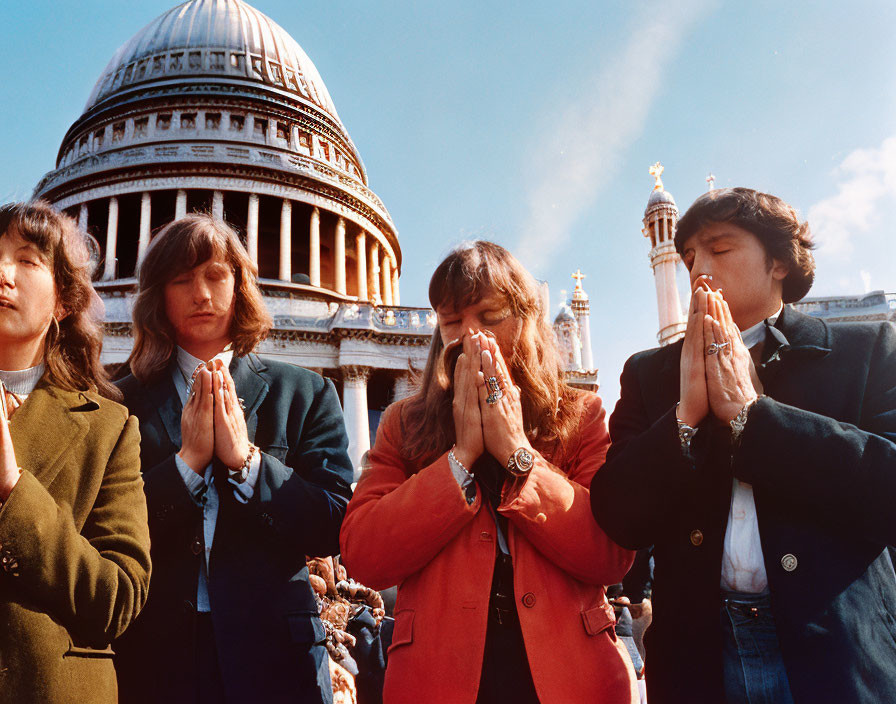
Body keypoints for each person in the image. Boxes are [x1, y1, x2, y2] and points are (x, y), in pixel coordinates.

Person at [591, 187, 896, 704]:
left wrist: (755, 418)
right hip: (700, 660)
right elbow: (617, 514)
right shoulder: (649, 373)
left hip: (836, 653)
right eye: (688, 257)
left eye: (720, 249)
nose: (698, 269)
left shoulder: (864, 351)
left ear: (778, 260)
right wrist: (684, 418)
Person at [340, 241, 638, 704]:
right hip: (443, 676)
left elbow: (609, 553)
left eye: (491, 317)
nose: (471, 337)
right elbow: (365, 556)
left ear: (526, 320)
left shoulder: (581, 415)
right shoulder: (404, 423)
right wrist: (459, 460)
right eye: (453, 321)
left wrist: (518, 454)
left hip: (567, 674)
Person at [113, 215, 353, 704]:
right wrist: (186, 467)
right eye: (181, 280)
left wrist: (250, 466)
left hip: (276, 660)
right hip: (154, 657)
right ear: (159, 296)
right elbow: (106, 526)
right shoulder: (118, 404)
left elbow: (334, 525)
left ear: (241, 286)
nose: (200, 294)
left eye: (215, 275)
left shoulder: (303, 393)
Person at [0, 201, 150, 703]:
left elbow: (118, 597)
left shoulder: (109, 428)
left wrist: (14, 492)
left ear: (63, 300)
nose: (3, 273)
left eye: (26, 260)